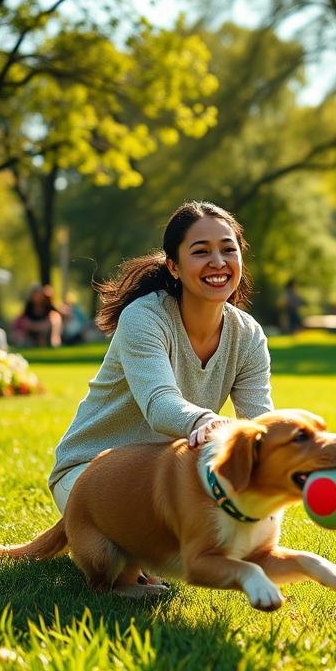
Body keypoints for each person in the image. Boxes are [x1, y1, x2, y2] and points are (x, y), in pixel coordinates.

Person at [48, 202, 274, 590]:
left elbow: (260, 425)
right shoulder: (145, 318)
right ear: (173, 266)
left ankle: (134, 551)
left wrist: (288, 460)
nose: (218, 262)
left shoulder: (248, 335)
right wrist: (205, 420)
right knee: (162, 562)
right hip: (90, 474)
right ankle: (119, 573)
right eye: (200, 251)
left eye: (228, 249)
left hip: (162, 484)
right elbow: (159, 405)